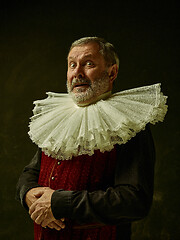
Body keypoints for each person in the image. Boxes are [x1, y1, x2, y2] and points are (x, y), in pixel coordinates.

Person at [16, 37, 168, 240]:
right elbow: (31, 172)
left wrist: (60, 202)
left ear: (111, 72)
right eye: (72, 65)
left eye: (88, 64)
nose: (77, 73)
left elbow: (134, 201)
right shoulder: (57, 119)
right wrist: (27, 194)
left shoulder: (129, 124)